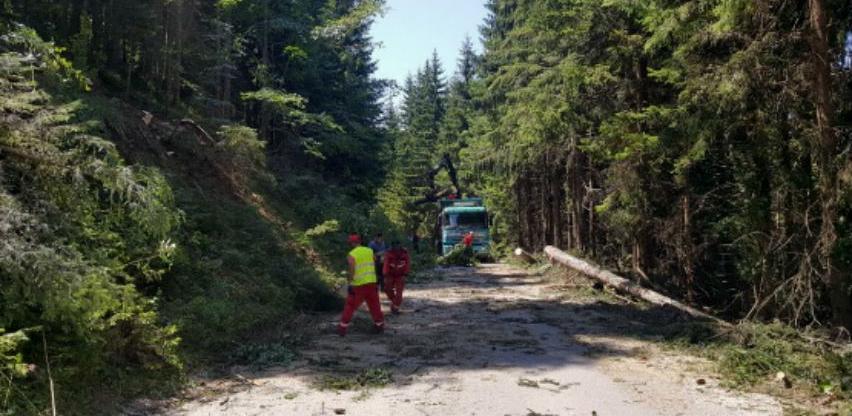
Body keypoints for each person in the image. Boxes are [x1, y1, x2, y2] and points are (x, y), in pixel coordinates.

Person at [338, 234, 385, 336]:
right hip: (372, 282)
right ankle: (379, 325)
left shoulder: (352, 254)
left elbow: (352, 269)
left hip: (359, 285)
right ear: (360, 241)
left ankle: (342, 328)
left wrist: (350, 283)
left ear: (351, 243)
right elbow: (375, 261)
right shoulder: (369, 250)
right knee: (375, 305)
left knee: (350, 306)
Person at [382, 240, 410, 314]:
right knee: (387, 289)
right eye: (395, 245)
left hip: (400, 275)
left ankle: (395, 307)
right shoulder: (388, 253)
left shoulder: (405, 253)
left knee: (399, 292)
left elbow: (407, 264)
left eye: (398, 245)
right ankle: (394, 301)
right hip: (390, 274)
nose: (396, 247)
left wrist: (405, 274)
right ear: (392, 246)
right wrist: (385, 275)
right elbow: (386, 264)